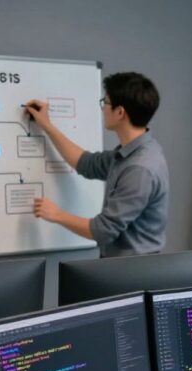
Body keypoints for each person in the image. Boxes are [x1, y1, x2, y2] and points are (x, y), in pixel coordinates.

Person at [24, 71, 169, 257]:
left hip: (133, 272)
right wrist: (47, 126)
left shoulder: (139, 168)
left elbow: (103, 230)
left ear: (120, 112)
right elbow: (85, 163)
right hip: (122, 269)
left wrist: (56, 214)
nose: (102, 109)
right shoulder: (130, 154)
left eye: (105, 102)